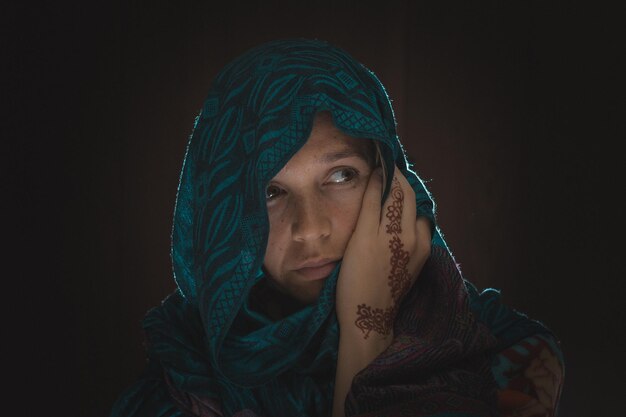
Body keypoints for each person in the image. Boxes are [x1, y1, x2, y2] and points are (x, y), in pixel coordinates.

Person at [110, 39, 564, 417]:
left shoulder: (507, 355)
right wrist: (369, 329)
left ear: (389, 182)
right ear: (221, 216)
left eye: (341, 176)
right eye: (269, 192)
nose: (310, 230)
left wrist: (367, 325)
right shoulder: (182, 382)